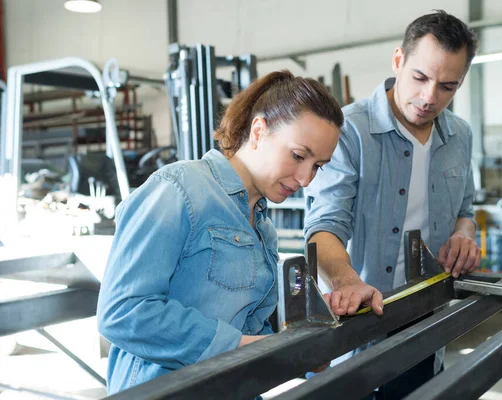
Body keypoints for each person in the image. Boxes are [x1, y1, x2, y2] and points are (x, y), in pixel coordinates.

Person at [97, 70, 343, 394]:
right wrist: (241, 346)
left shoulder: (264, 231)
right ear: (258, 131)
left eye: (317, 165)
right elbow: (122, 312)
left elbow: (252, 333)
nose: (306, 178)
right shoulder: (179, 190)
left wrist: (298, 348)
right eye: (298, 156)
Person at [303, 10, 481, 398]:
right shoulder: (349, 131)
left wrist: (465, 236)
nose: (430, 97)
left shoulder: (460, 136)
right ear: (398, 60)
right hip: (358, 323)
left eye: (448, 86)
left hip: (426, 319)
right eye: (420, 77)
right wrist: (348, 282)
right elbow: (324, 227)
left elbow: (465, 211)